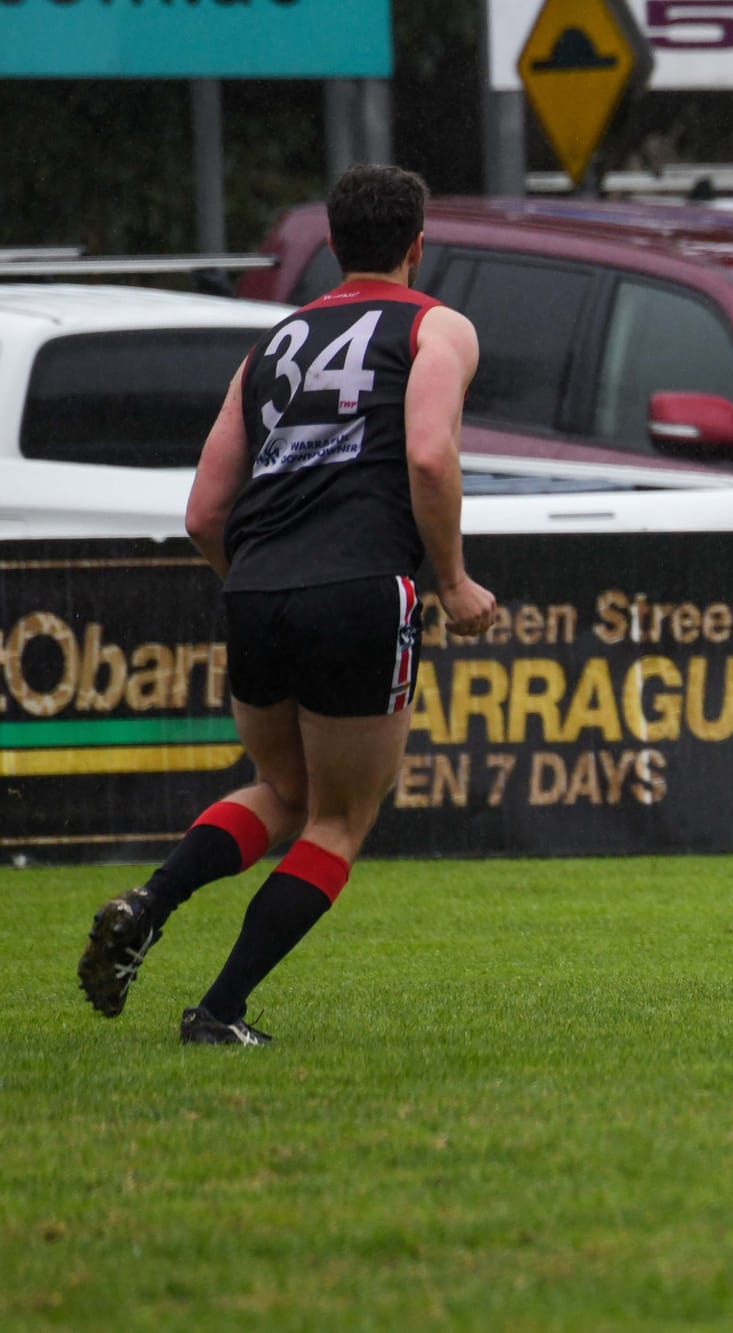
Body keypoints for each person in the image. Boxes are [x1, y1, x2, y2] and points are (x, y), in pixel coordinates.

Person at [77, 163, 496, 1044]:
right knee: (341, 816)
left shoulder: (273, 342)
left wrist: (260, 579)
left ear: (335, 245)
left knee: (282, 788)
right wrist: (452, 580)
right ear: (418, 245)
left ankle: (152, 902)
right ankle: (219, 1009)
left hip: (258, 583)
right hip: (359, 585)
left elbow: (202, 511)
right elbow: (427, 454)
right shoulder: (436, 327)